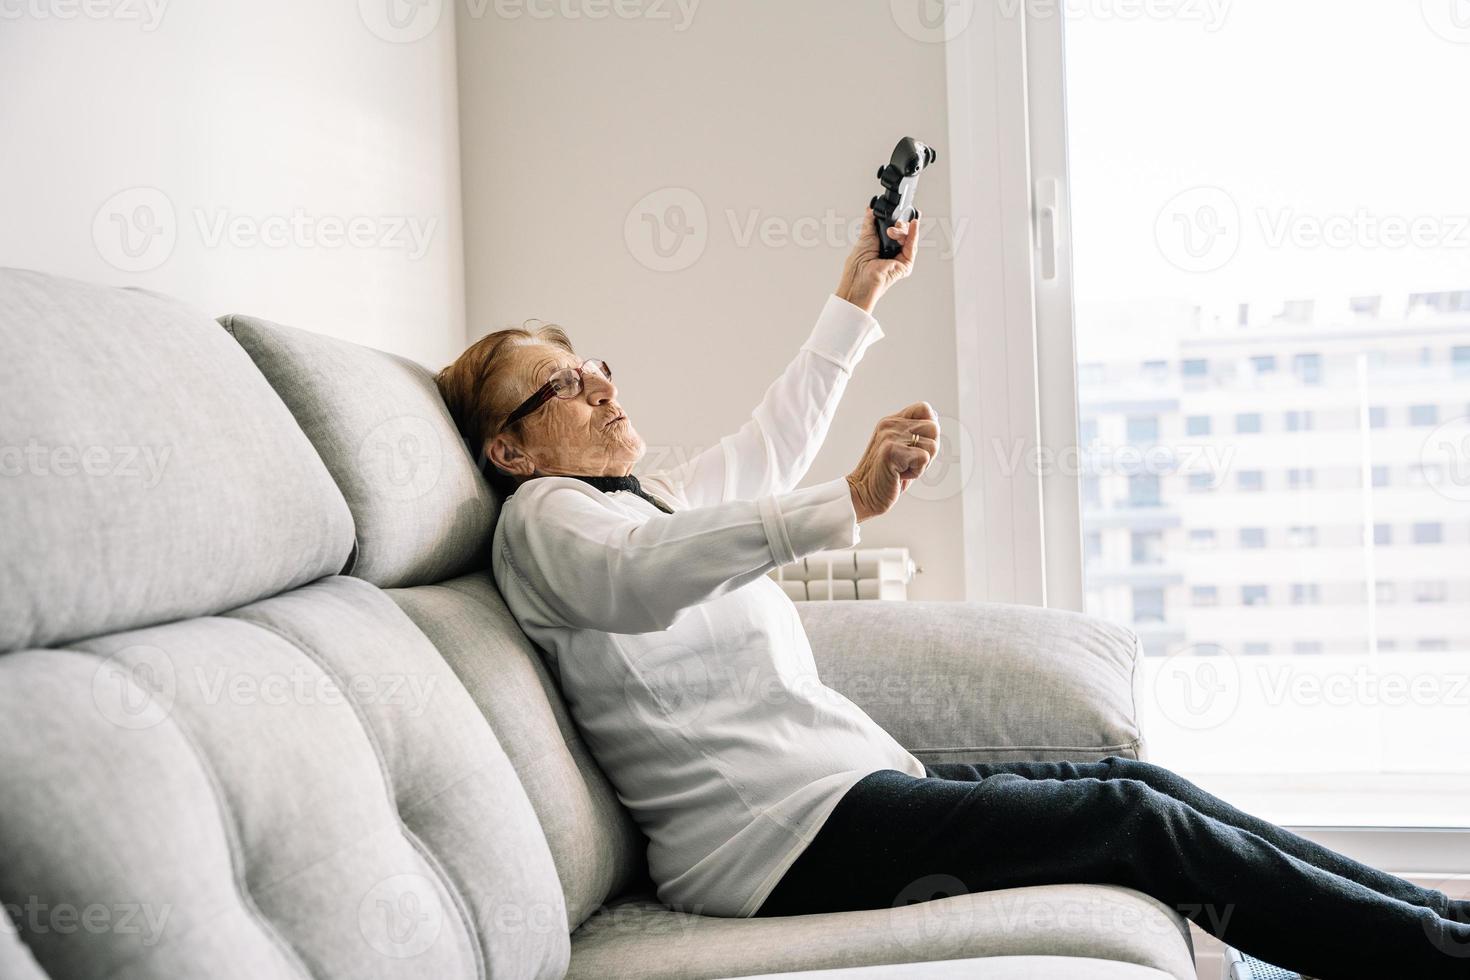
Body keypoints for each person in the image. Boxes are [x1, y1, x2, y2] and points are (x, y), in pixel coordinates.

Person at [435, 208, 1470, 979]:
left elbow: (767, 444)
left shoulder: (640, 502)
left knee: (1140, 784)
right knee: (1135, 820)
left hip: (844, 792)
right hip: (779, 842)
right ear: (510, 447)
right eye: (561, 384)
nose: (604, 386)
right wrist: (844, 499)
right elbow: (644, 580)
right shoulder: (549, 525)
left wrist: (861, 292)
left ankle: (1438, 922)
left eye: (593, 365)